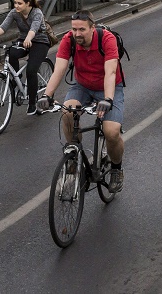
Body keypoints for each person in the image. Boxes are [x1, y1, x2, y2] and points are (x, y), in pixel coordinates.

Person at [38, 10, 125, 193]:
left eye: (82, 29)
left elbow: (110, 72)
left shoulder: (106, 39)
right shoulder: (68, 40)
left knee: (111, 132)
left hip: (108, 88)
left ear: (92, 28)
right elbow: (59, 69)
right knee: (68, 112)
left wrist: (108, 99)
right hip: (83, 85)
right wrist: (47, 95)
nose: (77, 34)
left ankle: (116, 169)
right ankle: (73, 159)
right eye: (74, 29)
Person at [0, 0, 51, 116]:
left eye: (19, 3)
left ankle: (32, 103)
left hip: (40, 41)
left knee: (31, 71)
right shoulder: (15, 13)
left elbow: (34, 29)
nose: (16, 6)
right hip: (23, 40)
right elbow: (3, 27)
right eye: (15, 3)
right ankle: (16, 79)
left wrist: (28, 39)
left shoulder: (37, 13)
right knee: (10, 53)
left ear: (28, 3)